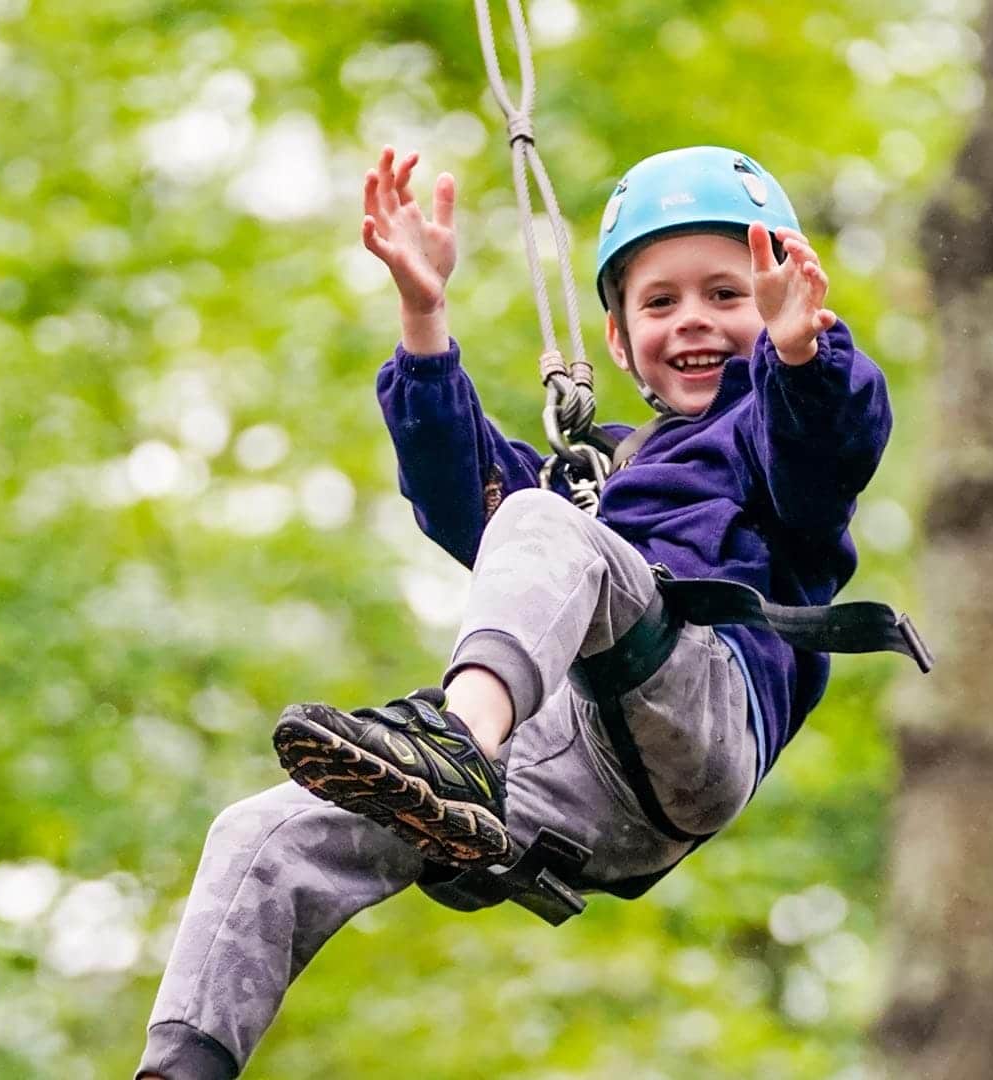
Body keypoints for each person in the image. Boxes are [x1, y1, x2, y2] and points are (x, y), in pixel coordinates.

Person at [137, 144, 896, 1079]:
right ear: (618, 342)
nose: (693, 321)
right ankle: (184, 1065)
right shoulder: (600, 481)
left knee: (544, 524)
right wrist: (424, 317)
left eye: (727, 295)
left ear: (781, 297)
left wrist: (799, 349)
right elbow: (470, 501)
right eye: (661, 303)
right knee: (268, 830)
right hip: (582, 779)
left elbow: (828, 446)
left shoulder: (770, 432)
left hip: (706, 706)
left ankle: (463, 740)